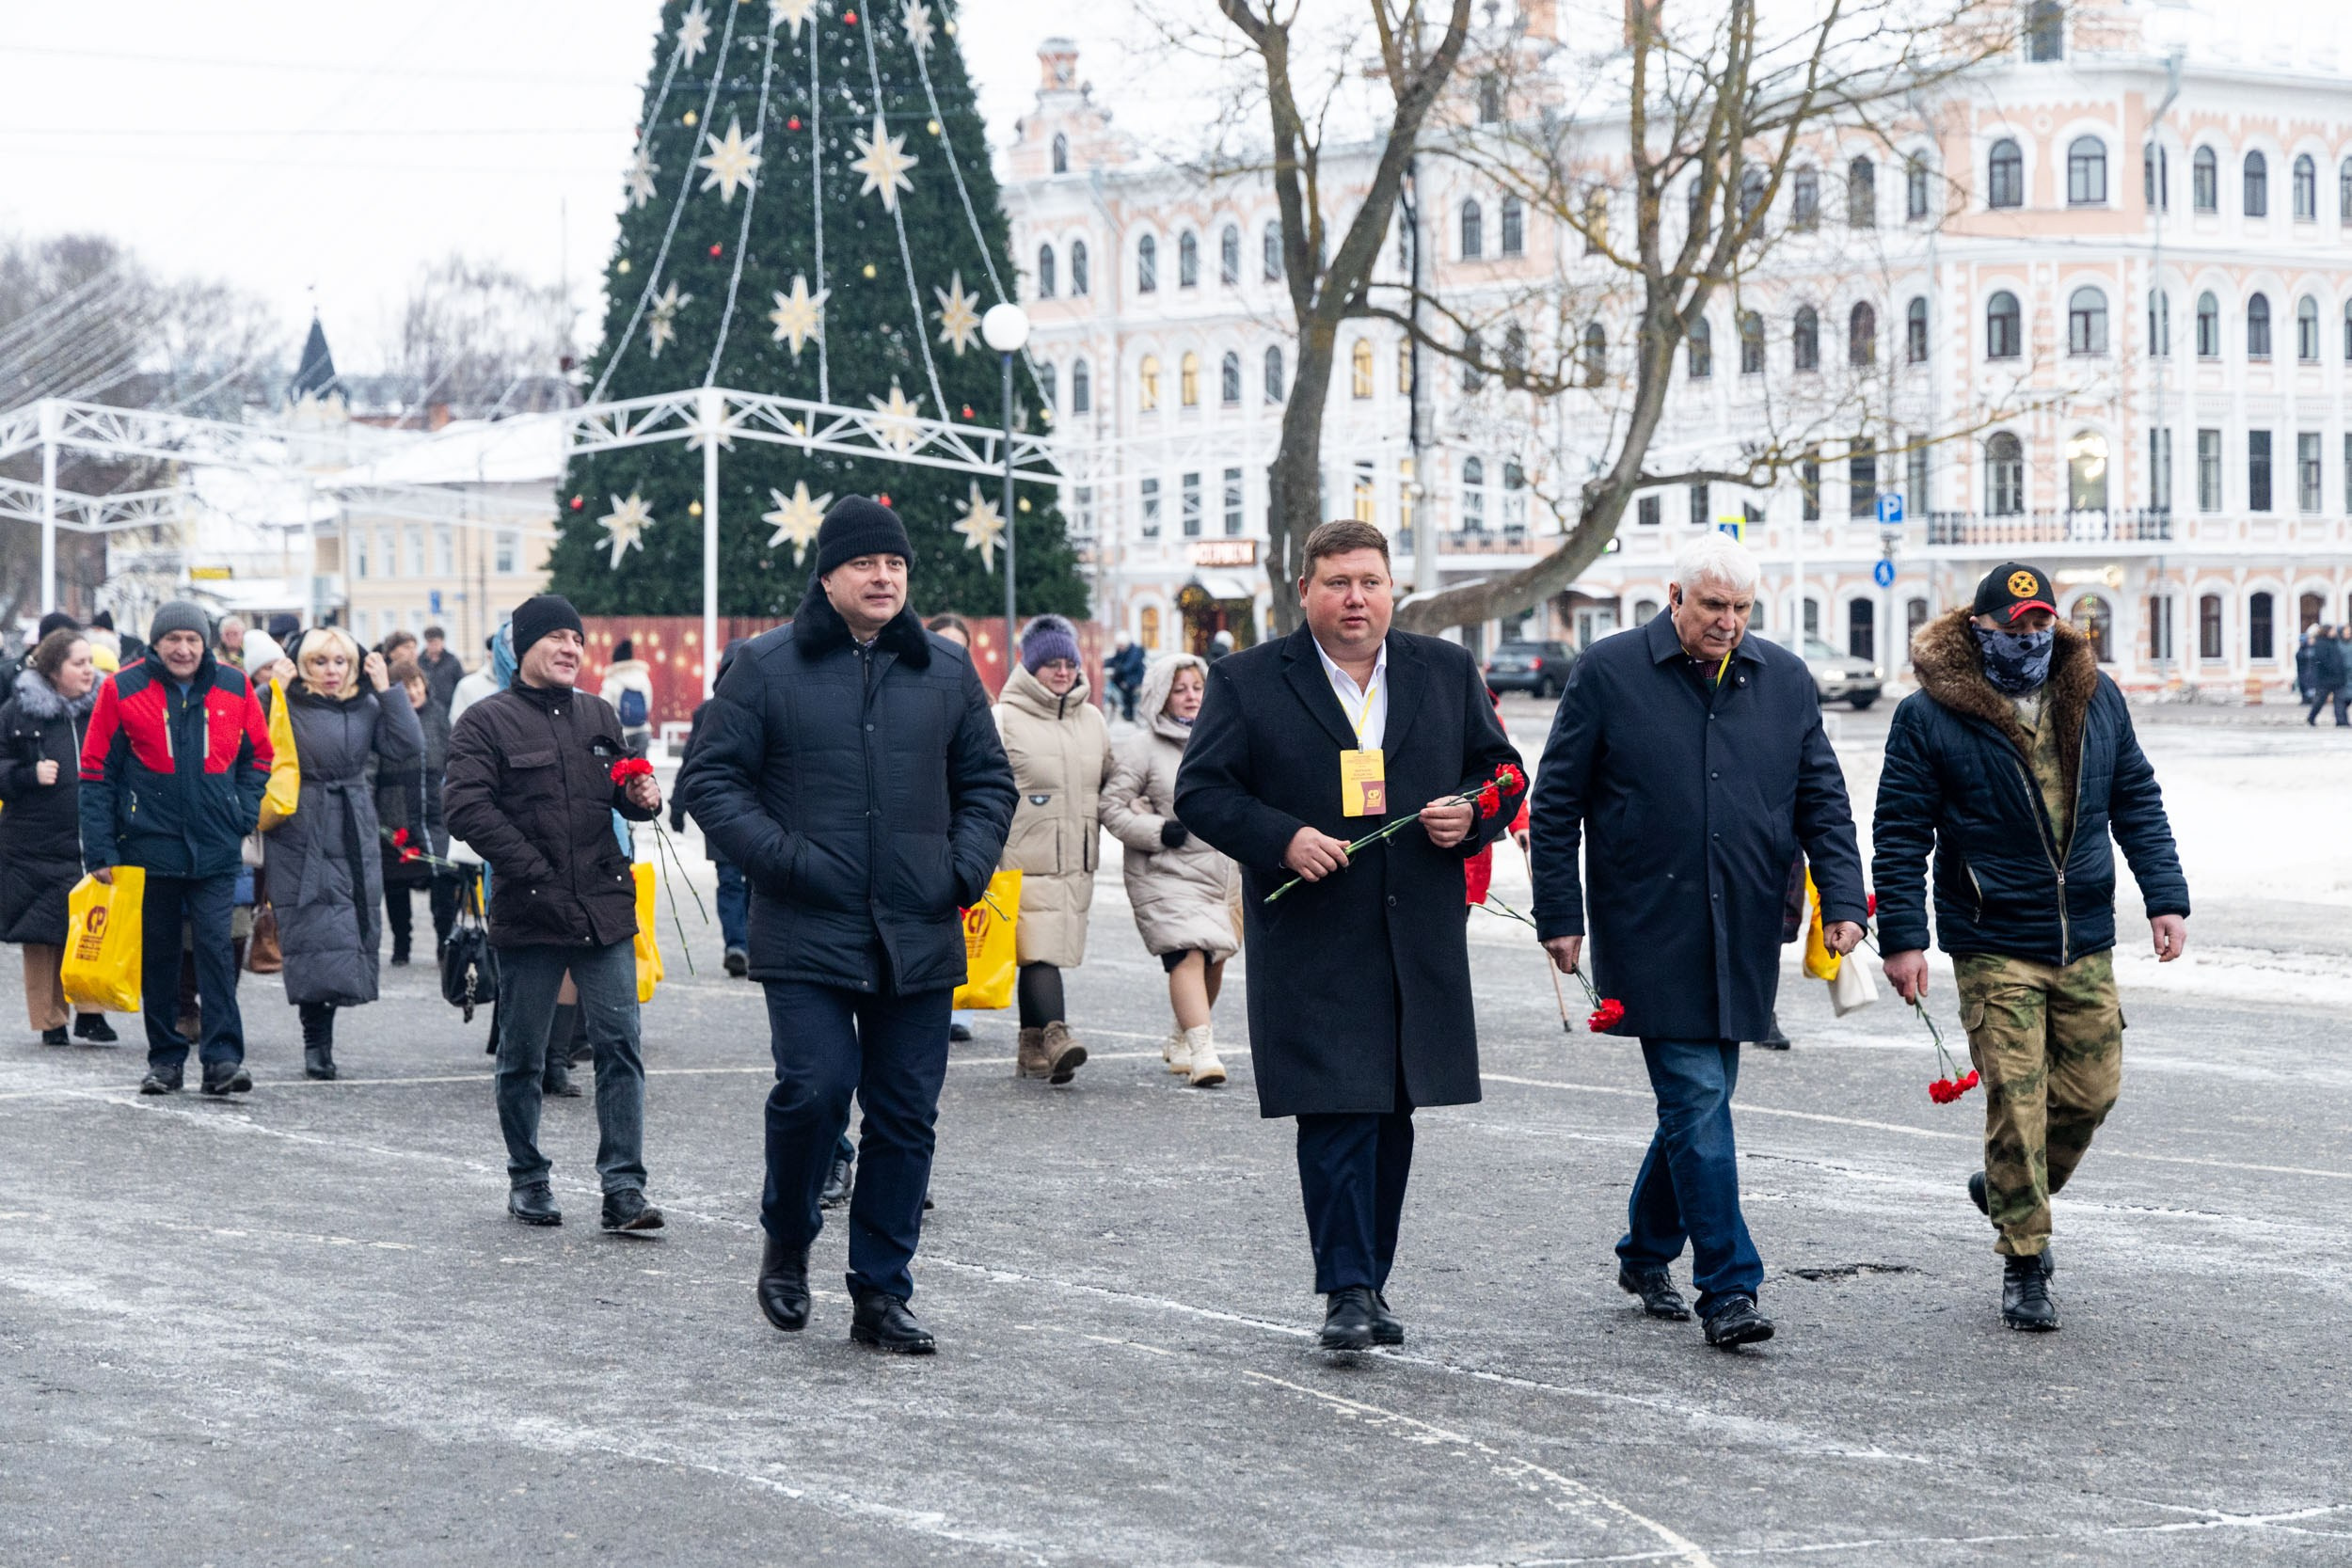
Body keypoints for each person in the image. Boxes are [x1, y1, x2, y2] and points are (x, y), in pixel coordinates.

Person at [1176, 519, 1524, 1351]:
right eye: (1338, 583)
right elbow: (1202, 791)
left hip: (1416, 935)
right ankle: (1347, 1289)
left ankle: (1369, 1277)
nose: (1356, 598)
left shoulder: (1444, 670)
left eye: (1370, 582)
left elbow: (1504, 771)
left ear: (1393, 589)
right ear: (1306, 591)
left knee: (1393, 1113)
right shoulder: (1248, 680)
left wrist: (1473, 812)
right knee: (1336, 1110)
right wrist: (1283, 837)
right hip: (1312, 933)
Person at [679, 497, 1015, 1354]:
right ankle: (788, 1237)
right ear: (827, 575)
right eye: (865, 563)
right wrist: (785, 859)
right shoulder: (764, 666)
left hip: (918, 928)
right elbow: (710, 782)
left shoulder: (947, 669)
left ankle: (881, 1292)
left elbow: (989, 782)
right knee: (816, 1090)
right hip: (807, 926)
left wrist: (961, 868)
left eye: (895, 564)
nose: (883, 577)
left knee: (904, 1115)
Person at [1529, 532, 1866, 1351]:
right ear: (1674, 597)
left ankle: (1646, 1251)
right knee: (1697, 1097)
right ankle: (1729, 1286)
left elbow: (1823, 797)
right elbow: (1556, 802)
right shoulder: (1608, 671)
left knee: (1702, 1101)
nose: (1729, 622)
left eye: (1742, 608)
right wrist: (1560, 913)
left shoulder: (1784, 678)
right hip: (1647, 923)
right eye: (1714, 605)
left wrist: (1845, 899)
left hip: (1745, 921)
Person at [1874, 562, 2190, 1332]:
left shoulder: (2094, 695)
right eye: (2014, 626)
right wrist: (1905, 939)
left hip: (2082, 933)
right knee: (2016, 1101)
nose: (2030, 636)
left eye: (2042, 622)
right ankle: (2024, 1259)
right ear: (1978, 628)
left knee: (2090, 1091)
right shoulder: (1929, 715)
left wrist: (2165, 896)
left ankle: (2006, 1189)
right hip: (1993, 937)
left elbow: (2136, 797)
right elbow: (1901, 831)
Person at [444, 594, 666, 1231]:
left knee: (620, 1046)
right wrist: (533, 868)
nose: (571, 648)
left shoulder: (599, 713)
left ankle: (624, 1188)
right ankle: (528, 1177)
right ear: (522, 646)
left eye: (577, 639)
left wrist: (641, 797)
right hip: (531, 910)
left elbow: (619, 794)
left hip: (603, 907)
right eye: (556, 638)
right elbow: (465, 808)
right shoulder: (485, 721)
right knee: (522, 1054)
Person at [79, 602, 272, 1096]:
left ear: (206, 643)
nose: (183, 649)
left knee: (217, 951)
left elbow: (258, 756)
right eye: (173, 640)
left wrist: (242, 812)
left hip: (216, 847)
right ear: (156, 643)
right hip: (149, 848)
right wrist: (100, 851)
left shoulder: (234, 686)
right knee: (160, 958)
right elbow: (97, 771)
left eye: (192, 639)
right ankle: (165, 1060)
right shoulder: (121, 689)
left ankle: (223, 1060)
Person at [261, 628, 424, 1080]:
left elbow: (408, 746)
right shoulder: (288, 701)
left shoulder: (366, 704)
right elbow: (248, 732)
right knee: (311, 932)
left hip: (354, 822)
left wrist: (387, 689)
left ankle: (323, 1033)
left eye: (340, 662)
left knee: (345, 931)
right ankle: (315, 1039)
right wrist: (271, 688)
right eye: (320, 662)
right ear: (302, 664)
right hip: (300, 826)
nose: (331, 671)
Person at [1102, 653, 1238, 1087]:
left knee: (1214, 955)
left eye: (1197, 687)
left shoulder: (1224, 738)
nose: (1191, 696)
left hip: (1219, 870)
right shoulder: (1141, 749)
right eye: (1180, 690)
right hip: (1164, 871)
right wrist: (1158, 831)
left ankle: (1181, 1036)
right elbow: (1111, 806)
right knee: (1187, 951)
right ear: (1161, 696)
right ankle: (1203, 1052)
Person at [993, 612, 1112, 1085]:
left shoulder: (1092, 719)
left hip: (1075, 864)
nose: (1063, 672)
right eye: (1051, 664)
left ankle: (1030, 1046)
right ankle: (1057, 1035)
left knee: (1043, 952)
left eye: (1070, 663)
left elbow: (1113, 783)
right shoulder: (1004, 719)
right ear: (1030, 666)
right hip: (1020, 862)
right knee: (1040, 951)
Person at [0, 629, 115, 1045]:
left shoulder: (103, 709)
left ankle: (92, 1012)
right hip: (34, 841)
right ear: (53, 669)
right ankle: (50, 1020)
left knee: (93, 926)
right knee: (41, 931)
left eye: (91, 663)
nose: (89, 671)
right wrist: (26, 775)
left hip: (89, 835)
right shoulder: (18, 711)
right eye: (78, 663)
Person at [673, 639, 753, 978]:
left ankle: (740, 945)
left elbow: (690, 763)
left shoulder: (710, 711)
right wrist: (677, 805)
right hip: (739, 813)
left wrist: (678, 806)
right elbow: (692, 764)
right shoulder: (711, 712)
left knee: (734, 883)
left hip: (731, 813)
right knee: (746, 884)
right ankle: (741, 946)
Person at [924, 613, 980, 1049]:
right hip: (925, 829)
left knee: (965, 927)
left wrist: (975, 853)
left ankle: (958, 1007)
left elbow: (989, 778)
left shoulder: (977, 701)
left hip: (959, 833)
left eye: (959, 645)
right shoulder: (914, 691)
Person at [601, 637, 657, 757]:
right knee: (640, 768)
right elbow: (648, 704)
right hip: (642, 731)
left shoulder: (612, 680)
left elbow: (605, 708)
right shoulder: (642, 676)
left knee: (621, 768)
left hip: (621, 734)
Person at [2305, 625, 2347, 727]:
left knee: (2340, 700)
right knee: (2320, 700)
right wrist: (2333, 669)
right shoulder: (2320, 643)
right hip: (2325, 678)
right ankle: (2311, 718)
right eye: (2332, 630)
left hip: (2337, 677)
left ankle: (2341, 721)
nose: (2334, 632)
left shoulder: (2335, 642)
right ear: (2326, 631)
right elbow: (2322, 660)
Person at [1105, 629, 1147, 723]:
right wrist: (1105, 663)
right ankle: (1125, 709)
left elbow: (1129, 666)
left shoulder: (1135, 651)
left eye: (1121, 646)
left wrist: (1118, 668)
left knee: (1127, 688)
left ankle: (1129, 713)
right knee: (1119, 684)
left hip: (1135, 678)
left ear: (1125, 644)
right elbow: (1115, 660)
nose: (1119, 648)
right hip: (1125, 677)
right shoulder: (1121, 651)